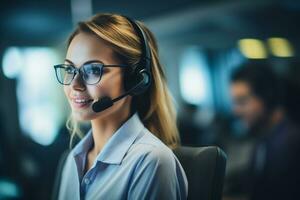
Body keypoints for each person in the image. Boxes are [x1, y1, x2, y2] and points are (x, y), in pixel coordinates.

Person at [53, 13, 188, 200]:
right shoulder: (73, 160)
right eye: (69, 69)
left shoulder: (150, 161)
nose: (75, 84)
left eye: (93, 70)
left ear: (135, 80)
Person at [230, 61, 300, 200]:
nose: (236, 111)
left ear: (267, 97)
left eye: (242, 101)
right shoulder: (264, 140)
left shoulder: (292, 143)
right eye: (234, 102)